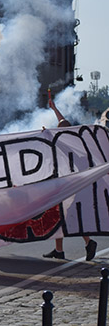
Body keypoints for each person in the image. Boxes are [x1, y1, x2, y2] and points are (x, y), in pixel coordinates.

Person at [42, 96, 97, 261]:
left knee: (68, 218)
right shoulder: (74, 139)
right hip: (68, 187)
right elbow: (63, 122)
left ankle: (88, 242)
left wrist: (48, 135)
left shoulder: (71, 145)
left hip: (75, 188)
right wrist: (54, 109)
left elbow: (61, 140)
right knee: (61, 217)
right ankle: (61, 249)